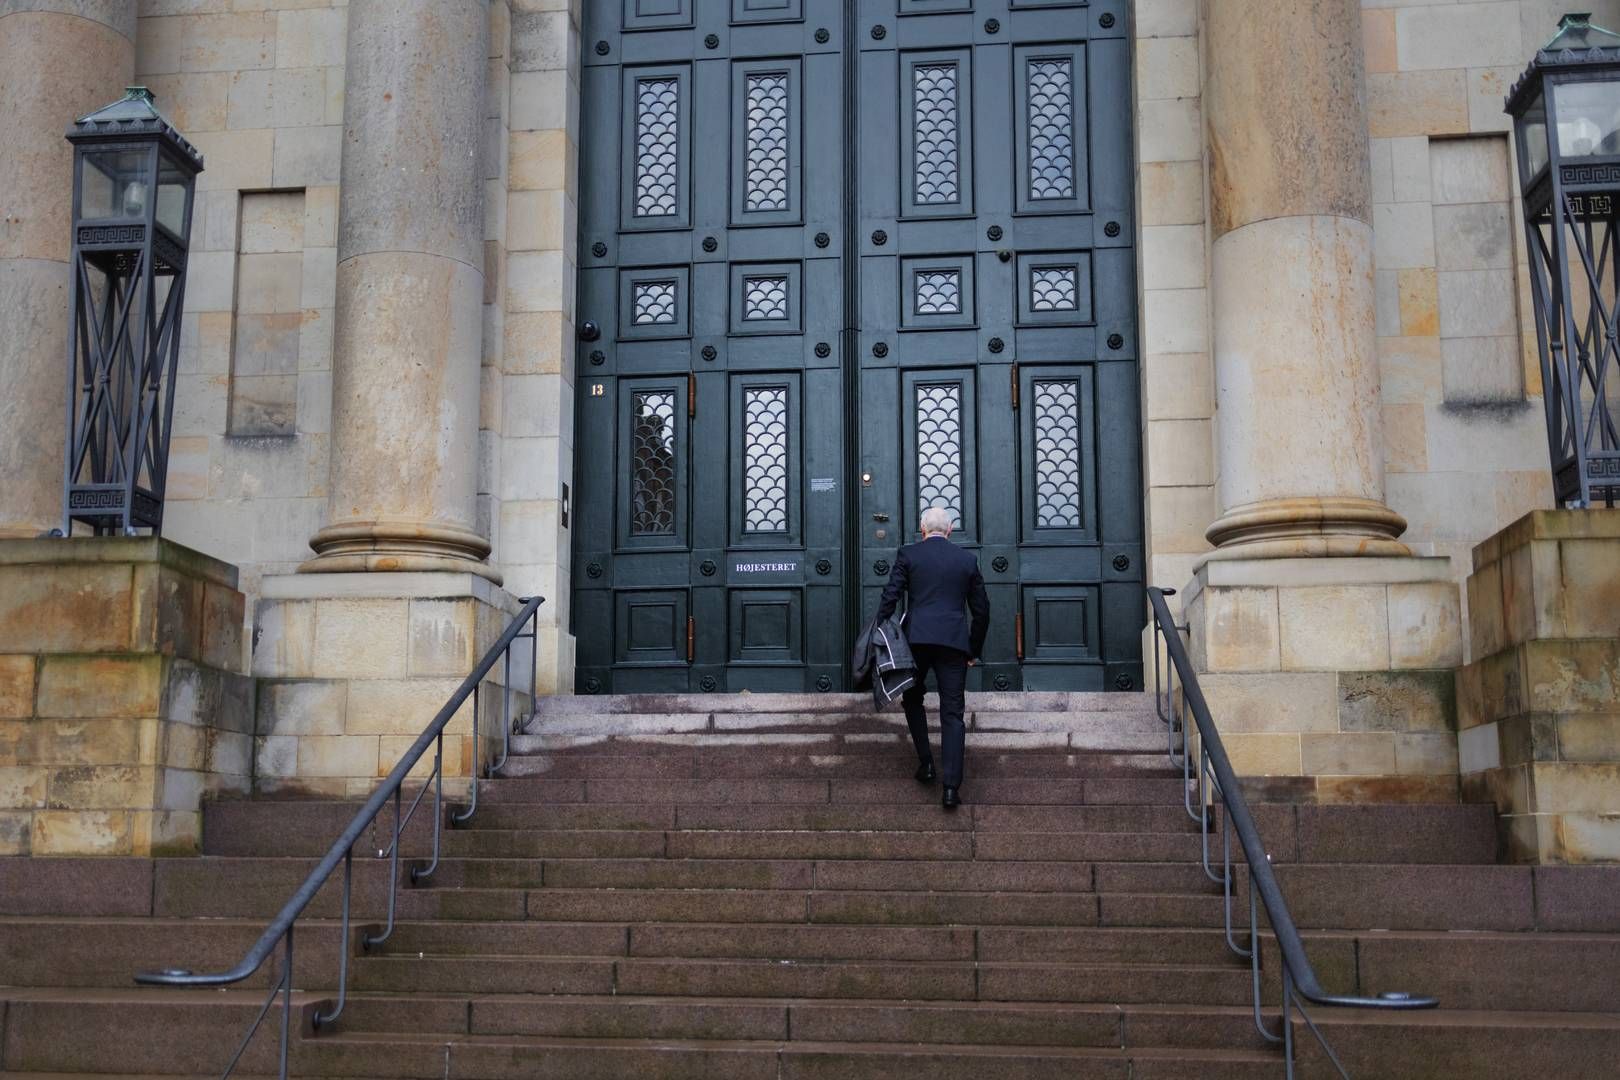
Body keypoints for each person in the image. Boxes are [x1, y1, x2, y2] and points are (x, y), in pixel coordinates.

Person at [875, 505, 990, 809]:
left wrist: (880, 632)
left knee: (912, 699)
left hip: (916, 640)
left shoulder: (909, 555)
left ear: (922, 530)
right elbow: (982, 611)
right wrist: (973, 649)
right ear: (950, 531)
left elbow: (891, 595)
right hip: (953, 643)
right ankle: (951, 788)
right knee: (953, 713)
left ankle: (926, 763)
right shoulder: (967, 560)